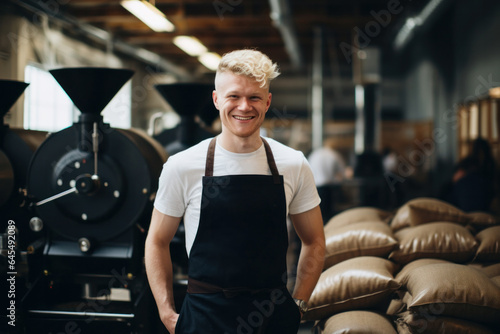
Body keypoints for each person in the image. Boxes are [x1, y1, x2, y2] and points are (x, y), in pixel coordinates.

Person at [145, 49, 326, 334]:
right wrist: (167, 313)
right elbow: (157, 240)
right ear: (217, 100)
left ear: (267, 102)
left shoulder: (292, 163)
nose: (244, 106)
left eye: (254, 97)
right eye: (234, 96)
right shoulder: (182, 165)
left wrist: (298, 304)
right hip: (204, 318)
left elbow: (314, 240)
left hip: (272, 318)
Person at [307, 137, 346, 222]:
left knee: (316, 212)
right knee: (327, 215)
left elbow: (308, 169)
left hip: (314, 187)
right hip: (328, 188)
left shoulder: (315, 153)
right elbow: (342, 172)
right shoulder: (334, 154)